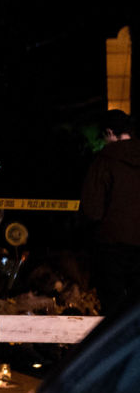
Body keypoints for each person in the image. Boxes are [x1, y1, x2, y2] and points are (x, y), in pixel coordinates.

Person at [80, 109, 140, 317]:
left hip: (112, 248)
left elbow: (91, 210)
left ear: (109, 132)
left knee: (113, 309)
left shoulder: (104, 160)